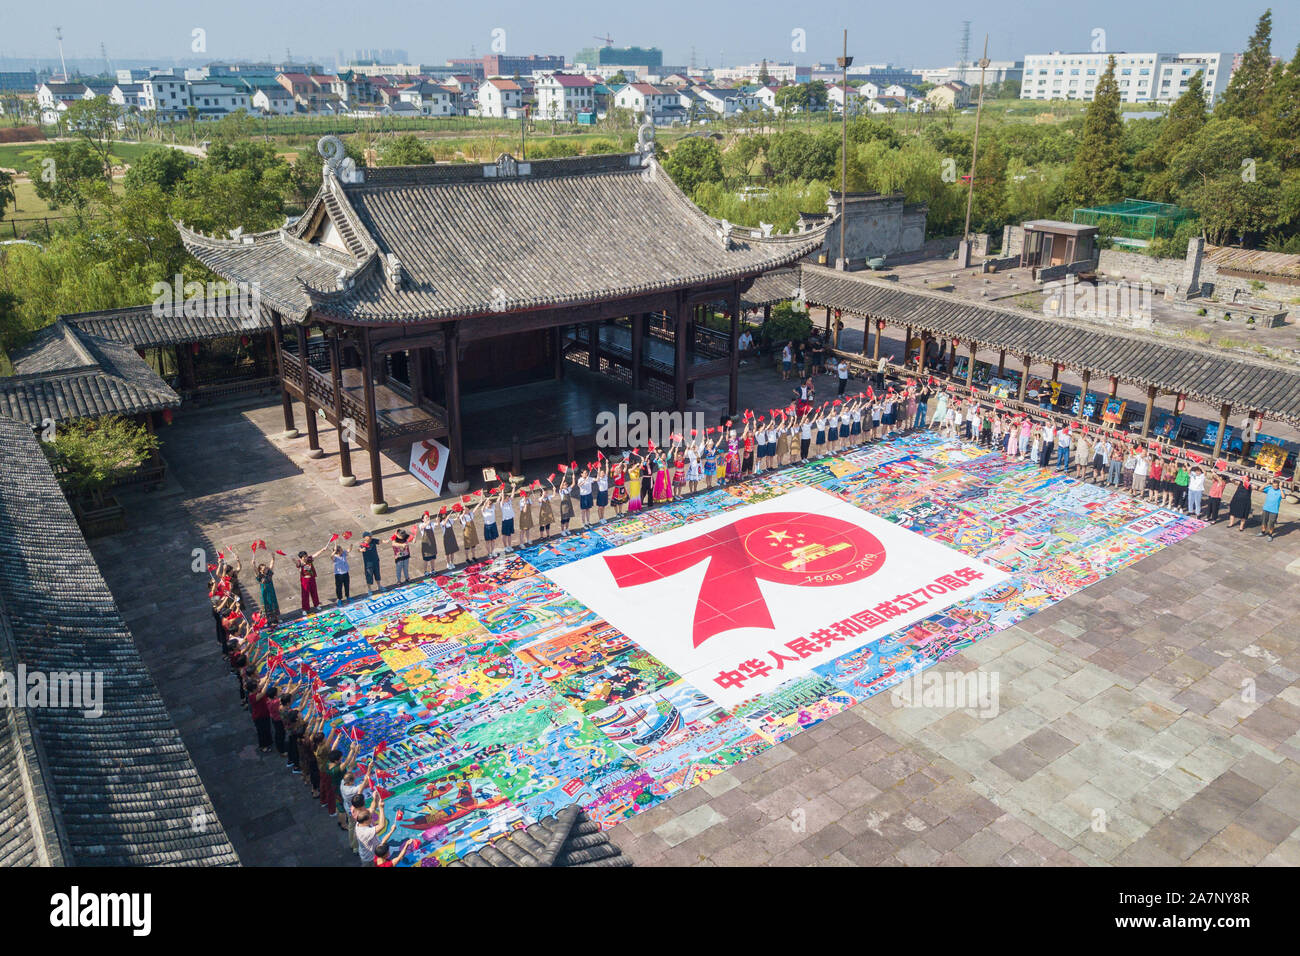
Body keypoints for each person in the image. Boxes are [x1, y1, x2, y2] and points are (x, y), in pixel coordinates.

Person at [255, 552, 280, 624]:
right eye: (264, 569)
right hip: (265, 594)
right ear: (260, 570)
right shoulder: (259, 576)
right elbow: (255, 571)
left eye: (266, 568)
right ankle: (266, 621)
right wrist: (253, 564)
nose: (266, 569)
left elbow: (272, 565)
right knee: (266, 606)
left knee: (273, 603)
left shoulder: (269, 573)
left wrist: (273, 558)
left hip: (271, 592)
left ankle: (276, 618)